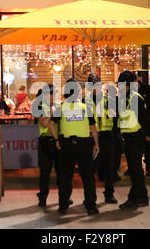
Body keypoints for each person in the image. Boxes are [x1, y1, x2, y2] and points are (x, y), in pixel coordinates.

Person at [48, 78, 100, 216]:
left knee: (65, 177)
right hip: (84, 145)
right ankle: (91, 206)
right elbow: (93, 128)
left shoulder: (61, 107)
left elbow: (50, 124)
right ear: (78, 92)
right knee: (88, 177)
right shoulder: (85, 107)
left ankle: (63, 206)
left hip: (66, 146)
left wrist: (57, 139)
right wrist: (96, 144)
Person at [117, 70, 149, 210]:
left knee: (135, 170)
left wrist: (145, 135)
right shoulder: (125, 98)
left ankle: (134, 198)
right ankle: (142, 197)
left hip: (135, 138)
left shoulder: (136, 98)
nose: (119, 87)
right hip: (129, 138)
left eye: (121, 85)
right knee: (136, 170)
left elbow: (143, 119)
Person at [87, 74, 118, 204]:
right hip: (90, 136)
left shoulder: (109, 99)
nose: (97, 87)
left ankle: (109, 194)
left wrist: (117, 134)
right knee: (90, 168)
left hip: (106, 135)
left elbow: (116, 118)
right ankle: (90, 197)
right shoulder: (85, 101)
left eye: (98, 84)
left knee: (109, 167)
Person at [32, 84, 60, 208]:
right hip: (45, 142)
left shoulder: (59, 106)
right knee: (45, 172)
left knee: (62, 172)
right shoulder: (39, 106)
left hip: (58, 142)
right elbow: (44, 123)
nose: (54, 96)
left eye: (55, 94)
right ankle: (43, 197)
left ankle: (63, 198)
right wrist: (53, 113)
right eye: (51, 94)